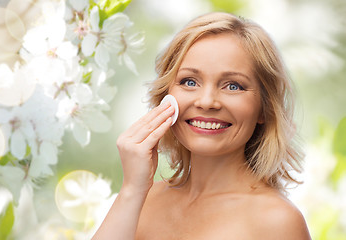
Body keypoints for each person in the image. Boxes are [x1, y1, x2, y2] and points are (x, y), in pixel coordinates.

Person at [92, 12, 311, 239]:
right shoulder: (142, 199)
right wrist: (132, 189)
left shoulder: (277, 221)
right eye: (189, 81)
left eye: (233, 86)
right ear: (166, 96)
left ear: (264, 109)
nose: (207, 102)